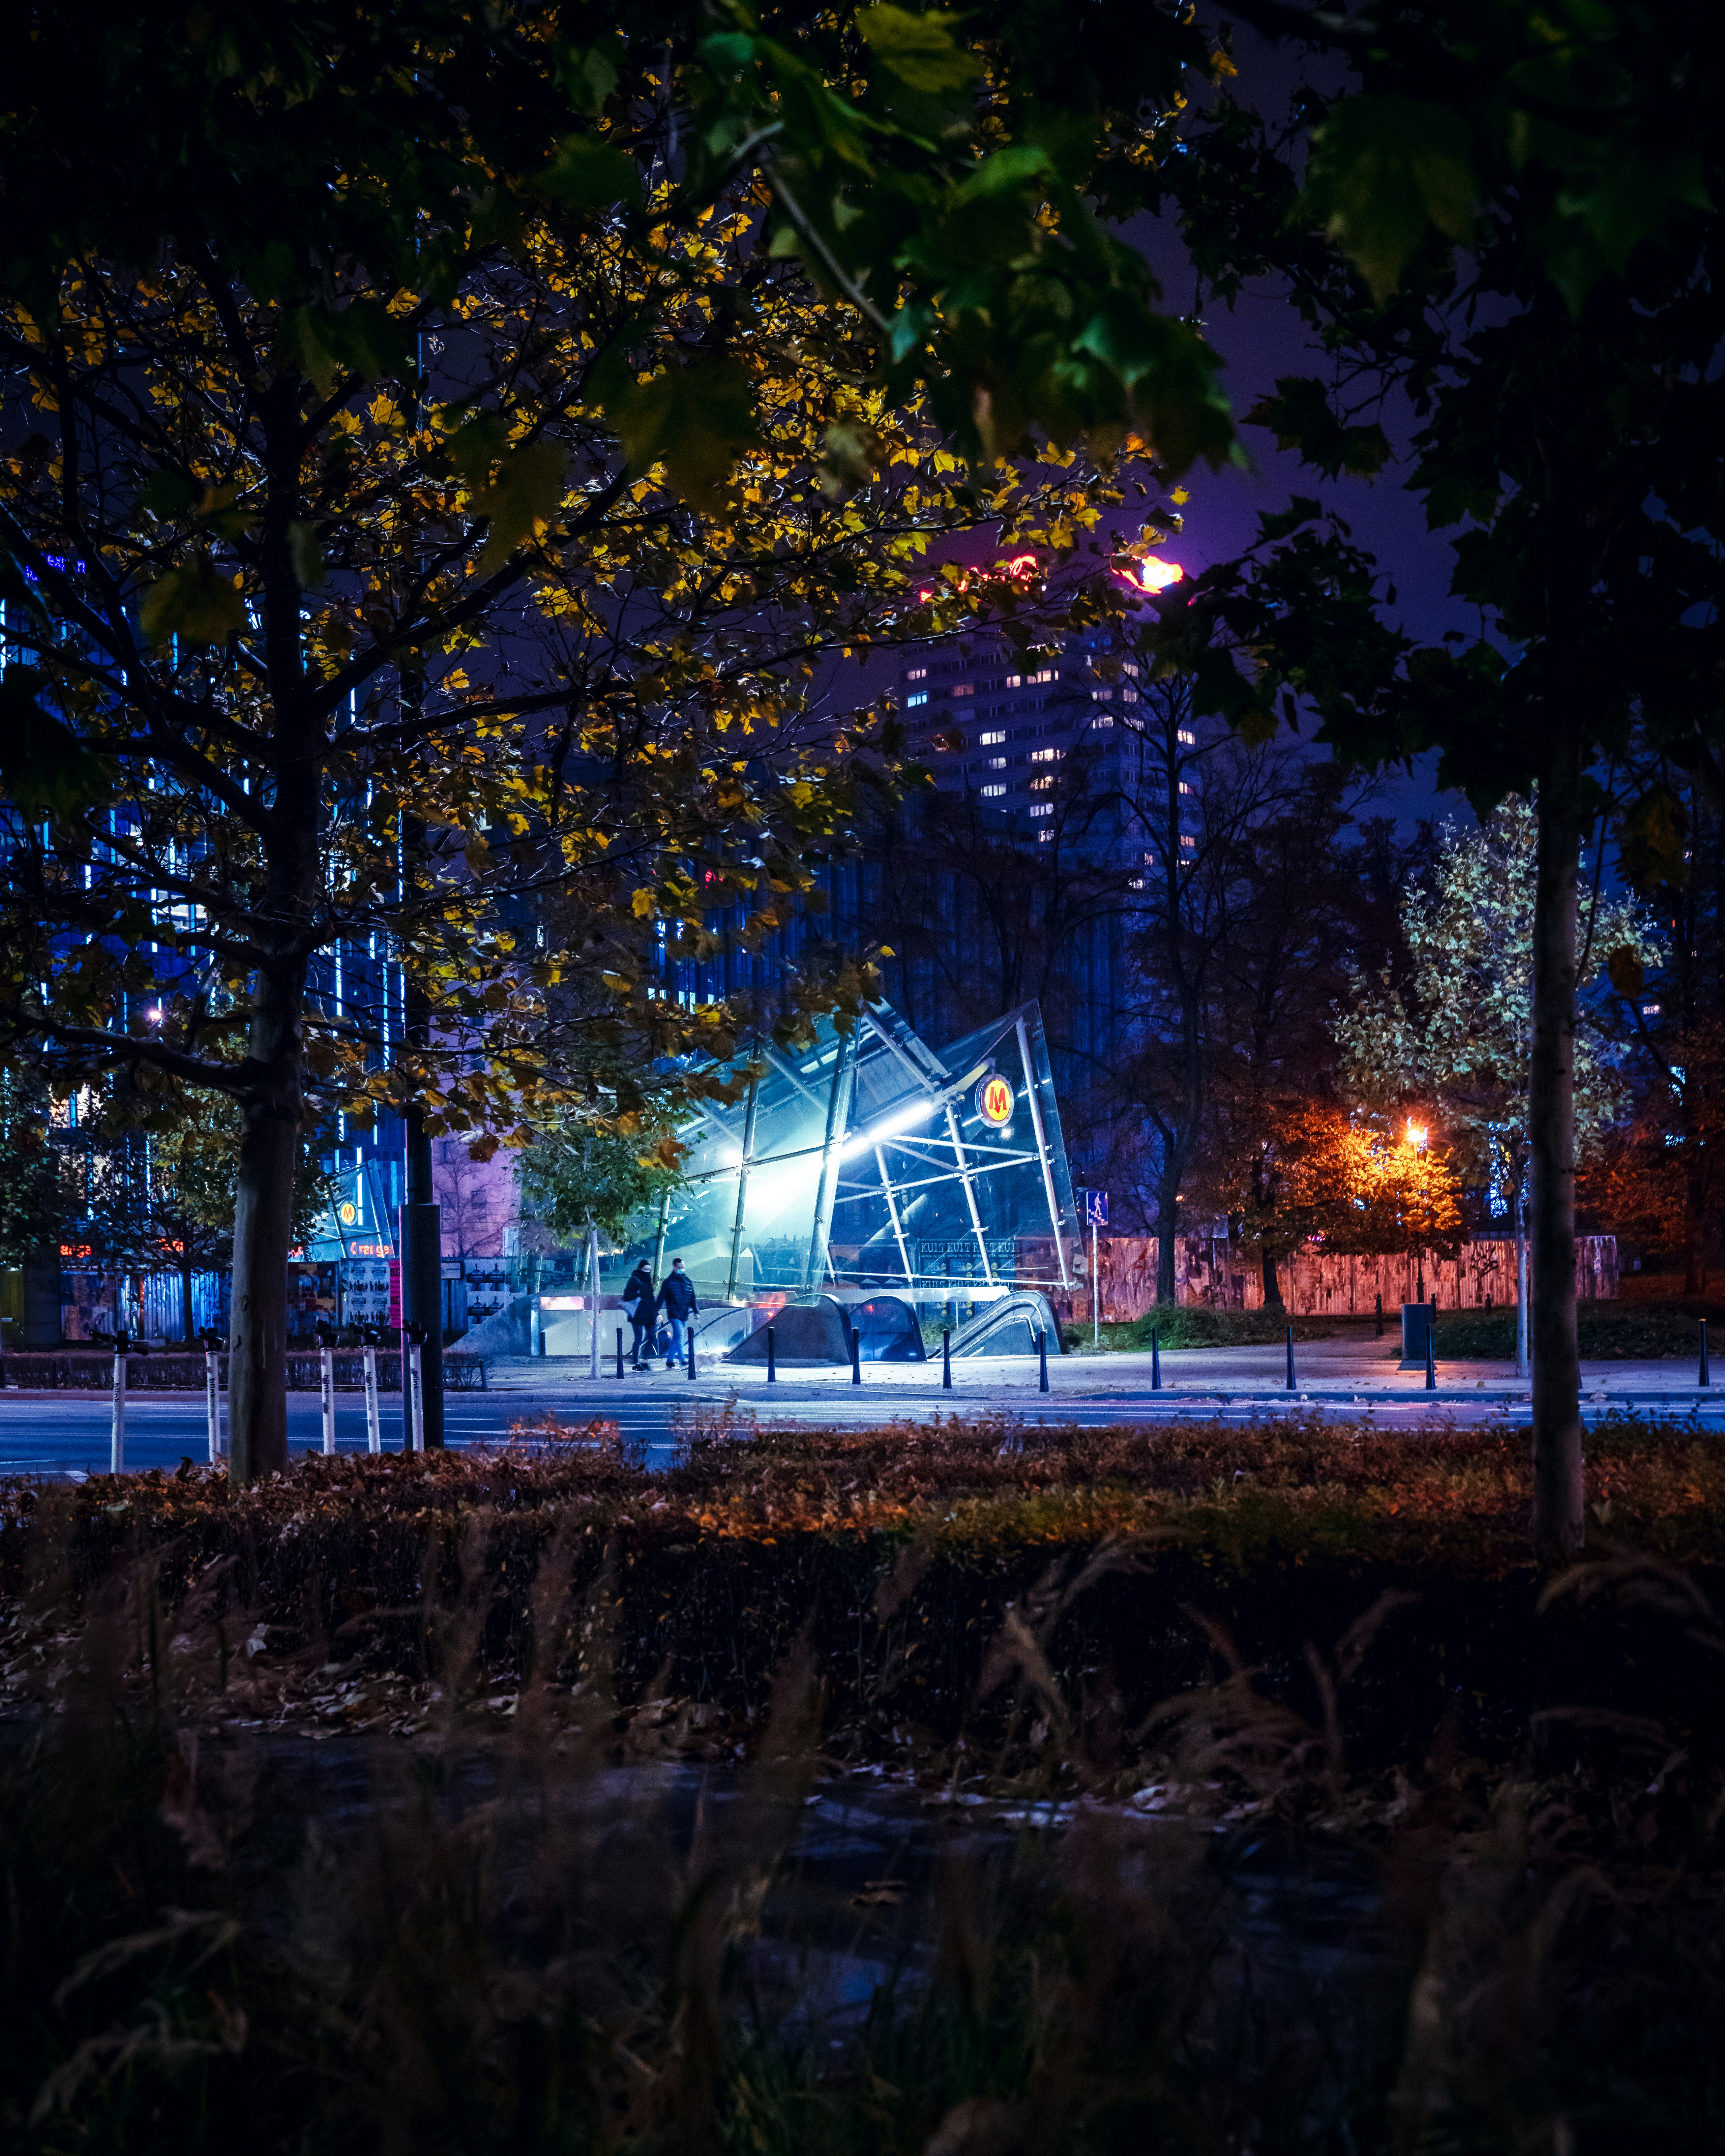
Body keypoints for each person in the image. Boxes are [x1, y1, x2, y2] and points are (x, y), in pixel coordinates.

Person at [655, 1257, 698, 1370]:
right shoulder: (668, 1282)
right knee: (679, 1335)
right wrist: (655, 1311)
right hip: (674, 1313)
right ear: (674, 1267)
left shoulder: (687, 1281)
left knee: (678, 1337)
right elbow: (661, 1298)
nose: (681, 1269)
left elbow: (692, 1297)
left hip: (684, 1314)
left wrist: (696, 1311)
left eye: (682, 1268)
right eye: (679, 1268)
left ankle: (681, 1361)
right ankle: (673, 1362)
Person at [621, 1260, 656, 1368]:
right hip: (637, 1314)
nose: (648, 1272)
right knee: (639, 1338)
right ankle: (636, 1361)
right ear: (641, 1269)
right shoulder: (634, 1280)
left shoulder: (648, 1281)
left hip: (649, 1314)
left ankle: (645, 1359)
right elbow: (627, 1295)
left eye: (649, 1270)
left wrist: (657, 1313)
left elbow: (651, 1299)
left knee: (652, 1337)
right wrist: (638, 1294)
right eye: (646, 1270)